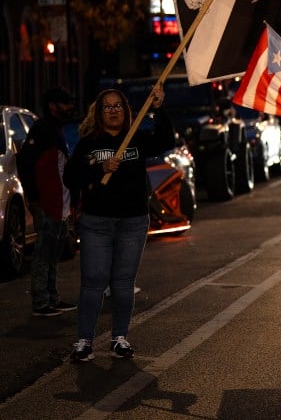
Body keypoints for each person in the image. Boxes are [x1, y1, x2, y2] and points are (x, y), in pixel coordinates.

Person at [64, 85, 173, 363]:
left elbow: (166, 141)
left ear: (126, 111)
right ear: (99, 113)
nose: (113, 111)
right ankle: (84, 341)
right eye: (107, 107)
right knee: (93, 281)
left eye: (118, 106)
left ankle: (119, 338)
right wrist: (98, 168)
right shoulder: (90, 142)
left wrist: (159, 109)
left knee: (124, 282)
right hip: (97, 221)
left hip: (133, 221)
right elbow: (71, 176)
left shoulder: (136, 137)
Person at [17, 86, 78, 317]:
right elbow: (26, 163)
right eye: (64, 103)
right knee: (44, 253)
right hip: (47, 203)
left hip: (58, 203)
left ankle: (52, 298)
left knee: (53, 252)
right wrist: (34, 199)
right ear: (52, 106)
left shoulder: (54, 129)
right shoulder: (43, 129)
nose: (69, 107)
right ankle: (41, 301)